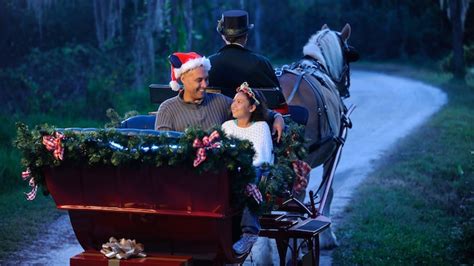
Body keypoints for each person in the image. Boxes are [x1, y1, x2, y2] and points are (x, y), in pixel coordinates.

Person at [154, 51, 285, 142]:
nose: (205, 85)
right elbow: (163, 149)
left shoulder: (220, 102)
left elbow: (250, 107)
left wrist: (276, 116)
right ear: (183, 78)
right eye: (199, 80)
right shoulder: (167, 109)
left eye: (207, 79)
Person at [221, 82, 273, 254]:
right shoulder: (227, 126)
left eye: (239, 102)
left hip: (255, 171)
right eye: (234, 101)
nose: (233, 105)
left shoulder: (260, 127)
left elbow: (262, 159)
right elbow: (222, 152)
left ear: (251, 108)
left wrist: (242, 174)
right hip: (231, 171)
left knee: (252, 177)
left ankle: (250, 232)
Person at [208, 10, 280, 92]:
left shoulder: (209, 63)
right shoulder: (261, 63)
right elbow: (277, 97)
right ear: (246, 36)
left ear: (223, 36)